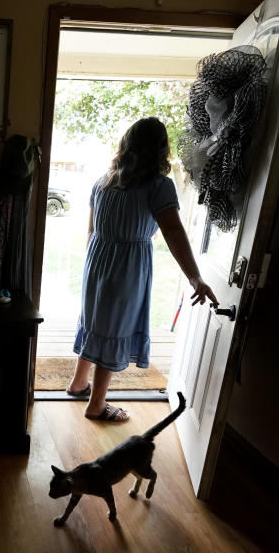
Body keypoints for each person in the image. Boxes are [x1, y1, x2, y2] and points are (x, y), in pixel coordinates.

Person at [66, 117, 218, 421]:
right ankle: (96, 405)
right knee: (115, 328)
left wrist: (95, 268)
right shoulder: (158, 186)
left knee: (97, 322)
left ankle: (78, 383)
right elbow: (174, 232)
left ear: (127, 144)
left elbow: (91, 230)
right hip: (127, 267)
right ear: (160, 150)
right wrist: (195, 276)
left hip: (97, 261)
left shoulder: (104, 180)